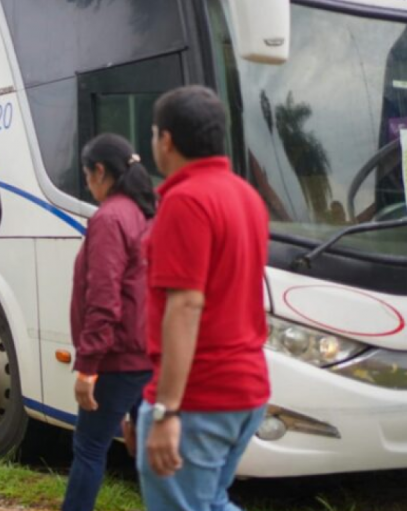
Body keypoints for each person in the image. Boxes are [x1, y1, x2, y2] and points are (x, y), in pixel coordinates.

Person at [138, 86, 270, 511]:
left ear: (167, 140)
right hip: (246, 390)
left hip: (200, 396)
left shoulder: (185, 200)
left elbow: (186, 305)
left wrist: (166, 412)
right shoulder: (247, 197)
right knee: (211, 501)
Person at [62, 133, 156, 511]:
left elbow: (104, 299)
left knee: (88, 449)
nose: (87, 185)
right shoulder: (147, 213)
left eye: (87, 176)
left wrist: (88, 369)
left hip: (116, 359)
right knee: (148, 454)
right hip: (146, 353)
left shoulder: (109, 218)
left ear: (100, 171)